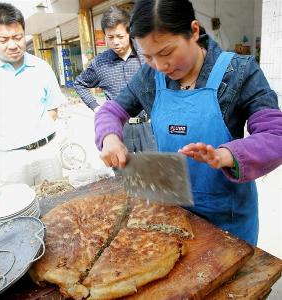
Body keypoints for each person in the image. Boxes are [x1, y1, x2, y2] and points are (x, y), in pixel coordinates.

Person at [94, 0, 282, 245]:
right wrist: (110, 137)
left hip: (229, 219)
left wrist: (227, 155)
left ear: (194, 31)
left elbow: (275, 134)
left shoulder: (239, 72)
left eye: (166, 52)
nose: (161, 66)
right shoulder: (151, 77)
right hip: (172, 213)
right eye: (149, 56)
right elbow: (111, 110)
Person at [0, 3, 66, 186]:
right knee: (16, 211)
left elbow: (53, 107)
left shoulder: (42, 68)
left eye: (17, 37)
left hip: (47, 154)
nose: (12, 45)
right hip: (10, 160)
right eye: (3, 40)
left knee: (57, 208)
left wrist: (38, 135)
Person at [74, 6, 156, 152]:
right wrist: (96, 108)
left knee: (156, 170)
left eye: (120, 36)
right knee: (123, 172)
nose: (115, 42)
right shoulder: (100, 63)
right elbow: (79, 84)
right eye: (110, 37)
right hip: (118, 129)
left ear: (129, 32)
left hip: (149, 127)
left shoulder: (146, 56)